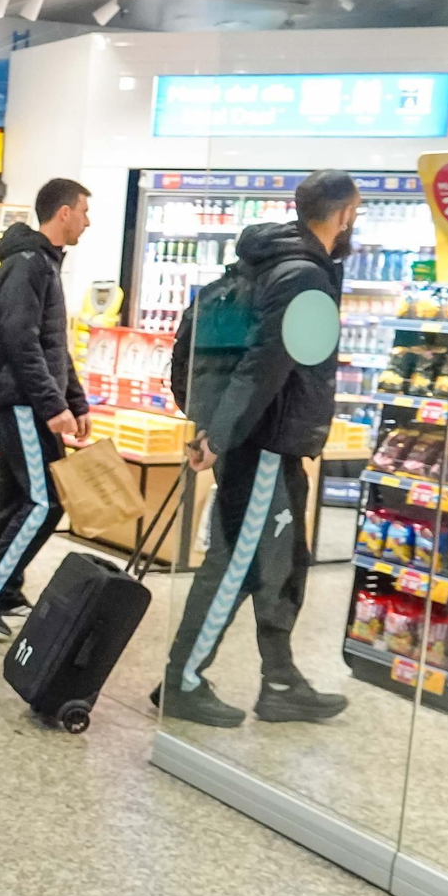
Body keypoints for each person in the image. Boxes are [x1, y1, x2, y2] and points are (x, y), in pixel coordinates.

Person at [155, 170, 358, 728]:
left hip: (263, 438)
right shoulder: (302, 278)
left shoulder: (269, 264)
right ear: (343, 213)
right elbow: (264, 366)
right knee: (239, 561)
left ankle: (281, 680)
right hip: (263, 441)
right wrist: (217, 436)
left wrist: (217, 429)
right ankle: (182, 680)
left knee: (282, 560)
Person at [0, 178, 93, 642]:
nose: (88, 222)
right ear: (64, 212)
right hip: (23, 403)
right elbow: (20, 344)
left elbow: (55, 346)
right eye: (85, 212)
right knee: (47, 500)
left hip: (34, 401)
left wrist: (75, 400)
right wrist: (54, 406)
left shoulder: (44, 266)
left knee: (15, 499)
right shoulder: (28, 266)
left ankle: (7, 592)